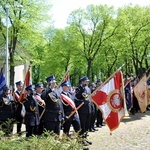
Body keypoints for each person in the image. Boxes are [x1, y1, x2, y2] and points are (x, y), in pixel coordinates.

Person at [75, 76, 92, 146]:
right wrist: (82, 89)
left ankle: (85, 137)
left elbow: (89, 98)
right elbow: (76, 97)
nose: (87, 82)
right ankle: (81, 139)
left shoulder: (88, 89)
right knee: (82, 125)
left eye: (87, 81)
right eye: (86, 81)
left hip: (88, 109)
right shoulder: (79, 88)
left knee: (87, 125)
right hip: (82, 110)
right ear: (82, 82)